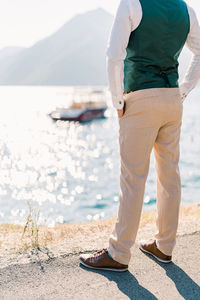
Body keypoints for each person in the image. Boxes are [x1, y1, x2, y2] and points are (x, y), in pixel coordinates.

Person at [79, 0, 200, 272]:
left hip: (140, 98)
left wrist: (117, 101)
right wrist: (183, 90)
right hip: (172, 100)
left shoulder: (132, 3)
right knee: (170, 175)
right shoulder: (186, 10)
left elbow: (114, 54)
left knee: (133, 178)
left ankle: (119, 253)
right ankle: (165, 246)